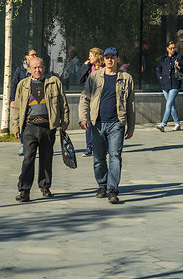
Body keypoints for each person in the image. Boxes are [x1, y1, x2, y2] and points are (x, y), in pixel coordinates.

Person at [79, 46, 135, 204]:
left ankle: (112, 190)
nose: (109, 60)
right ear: (103, 59)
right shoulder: (94, 77)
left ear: (117, 59)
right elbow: (85, 98)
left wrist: (130, 127)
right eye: (107, 57)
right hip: (97, 123)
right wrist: (83, 118)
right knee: (98, 158)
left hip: (116, 124)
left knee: (115, 157)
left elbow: (131, 104)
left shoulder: (126, 78)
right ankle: (102, 185)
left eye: (112, 57)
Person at [12, 56, 69, 202]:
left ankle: (45, 186)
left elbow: (63, 103)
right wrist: (16, 125)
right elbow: (17, 108)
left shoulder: (54, 82)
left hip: (48, 127)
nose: (38, 70)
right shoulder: (22, 84)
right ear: (29, 69)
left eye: (40, 67)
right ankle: (24, 189)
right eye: (35, 67)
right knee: (28, 158)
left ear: (44, 67)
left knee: (46, 157)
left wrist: (64, 123)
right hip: (29, 127)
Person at [155, 40, 183, 131]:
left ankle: (163, 124)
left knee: (168, 104)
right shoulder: (163, 58)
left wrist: (179, 67)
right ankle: (177, 124)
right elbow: (158, 70)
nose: (172, 50)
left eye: (174, 48)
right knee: (172, 105)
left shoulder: (179, 57)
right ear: (167, 48)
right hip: (165, 84)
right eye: (171, 48)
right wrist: (160, 78)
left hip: (175, 84)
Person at [10, 47, 37, 157]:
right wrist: (12, 100)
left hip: (35, 101)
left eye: (36, 54)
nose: (34, 56)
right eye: (32, 55)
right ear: (26, 57)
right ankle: (23, 145)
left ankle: (33, 144)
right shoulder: (20, 69)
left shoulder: (37, 68)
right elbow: (14, 85)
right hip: (22, 101)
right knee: (22, 122)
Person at [78, 47, 104, 156]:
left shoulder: (105, 69)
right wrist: (85, 66)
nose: (89, 57)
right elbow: (80, 79)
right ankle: (89, 147)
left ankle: (102, 146)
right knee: (89, 123)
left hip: (102, 101)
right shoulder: (90, 69)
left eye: (91, 55)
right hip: (90, 101)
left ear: (97, 56)